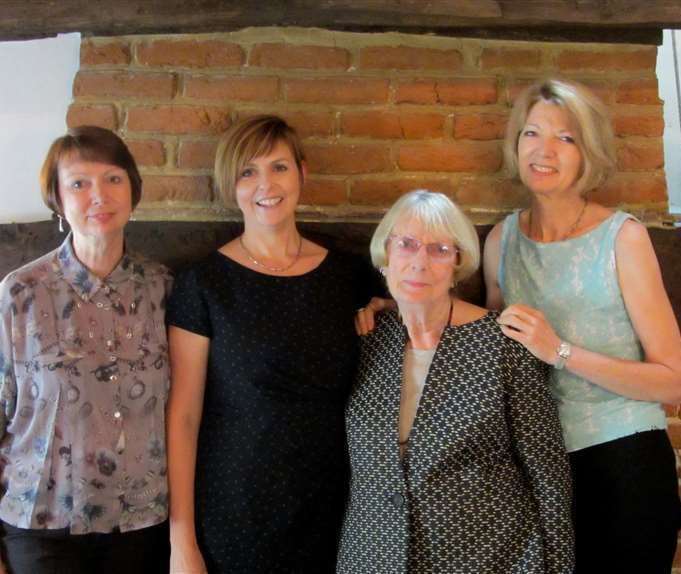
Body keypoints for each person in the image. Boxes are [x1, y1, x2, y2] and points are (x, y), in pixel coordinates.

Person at [483, 78, 681, 573]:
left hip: (625, 462)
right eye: (532, 134)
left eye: (565, 138)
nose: (543, 150)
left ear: (587, 152)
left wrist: (560, 351)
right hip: (536, 470)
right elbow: (488, 351)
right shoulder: (500, 242)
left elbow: (674, 379)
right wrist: (397, 309)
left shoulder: (623, 238)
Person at [166, 115, 377, 574]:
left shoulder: (348, 277)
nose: (266, 184)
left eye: (279, 167)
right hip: (236, 508)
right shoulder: (203, 284)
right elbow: (183, 417)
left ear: (303, 173)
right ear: (231, 186)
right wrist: (181, 542)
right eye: (248, 172)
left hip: (335, 504)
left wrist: (387, 310)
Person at [338, 190, 574, 574]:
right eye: (407, 245)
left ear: (457, 264)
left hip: (491, 559)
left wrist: (559, 565)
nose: (419, 262)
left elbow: (548, 475)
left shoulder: (503, 345)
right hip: (372, 556)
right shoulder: (365, 339)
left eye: (439, 250)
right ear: (386, 256)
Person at [0, 126, 171, 573]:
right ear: (57, 199)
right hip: (42, 522)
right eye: (79, 183)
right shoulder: (20, 293)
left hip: (141, 523)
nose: (99, 195)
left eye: (113, 179)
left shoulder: (164, 290)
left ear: (133, 190)